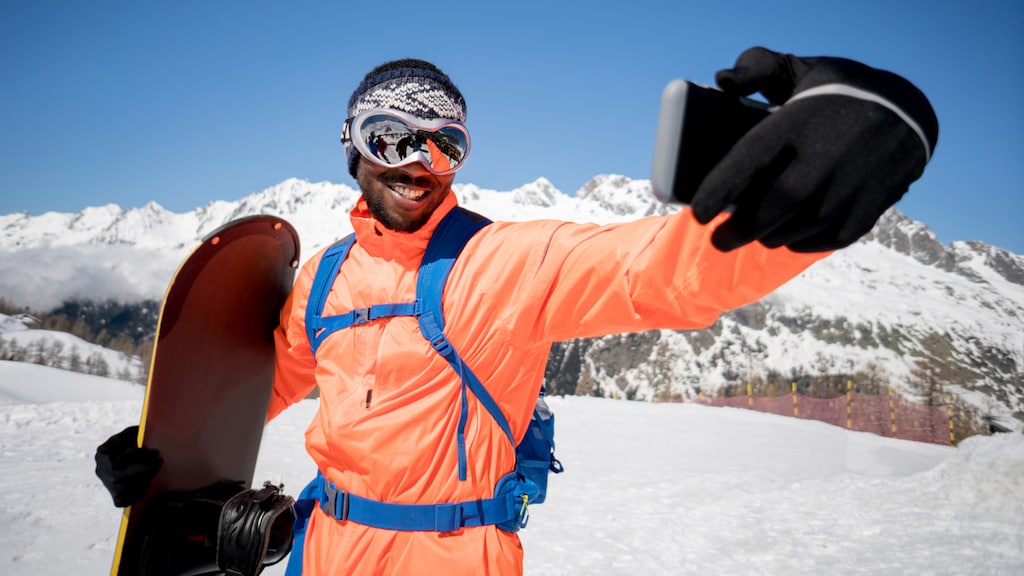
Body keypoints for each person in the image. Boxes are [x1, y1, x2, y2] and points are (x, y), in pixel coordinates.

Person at [96, 48, 938, 575]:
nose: (418, 162)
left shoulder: (503, 263)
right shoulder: (321, 281)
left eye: (444, 143)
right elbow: (257, 390)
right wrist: (159, 456)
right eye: (392, 136)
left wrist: (811, 198)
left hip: (454, 557)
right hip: (323, 548)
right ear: (352, 144)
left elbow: (663, 274)